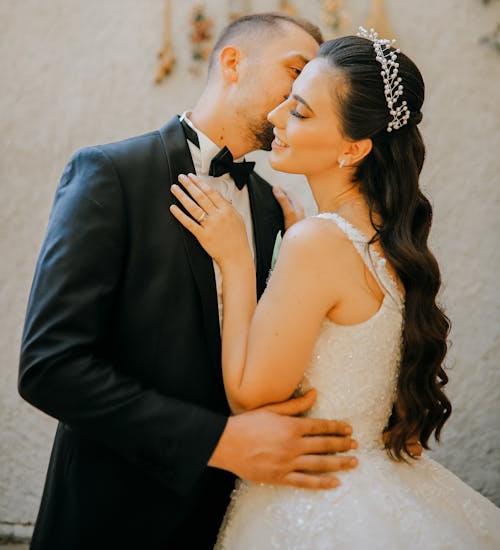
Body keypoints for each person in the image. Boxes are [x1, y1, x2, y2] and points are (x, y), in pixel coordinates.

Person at [18, 12, 367, 550]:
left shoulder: (273, 210)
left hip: (230, 522)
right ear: (232, 62)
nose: (296, 97)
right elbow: (50, 366)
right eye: (293, 71)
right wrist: (218, 442)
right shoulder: (110, 174)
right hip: (111, 521)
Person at [171, 28, 500, 549]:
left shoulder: (318, 242)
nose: (277, 117)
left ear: (354, 148)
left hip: (314, 504)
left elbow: (249, 394)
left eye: (300, 112)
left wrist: (236, 260)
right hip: (382, 486)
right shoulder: (385, 238)